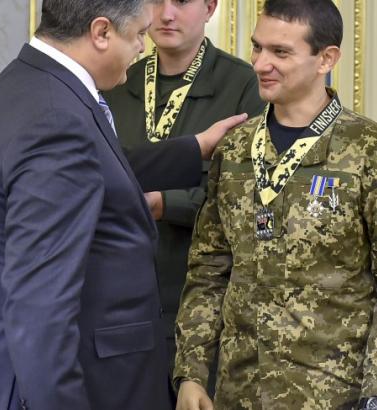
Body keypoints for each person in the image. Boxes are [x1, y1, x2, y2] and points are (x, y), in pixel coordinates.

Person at [0, 0, 248, 409]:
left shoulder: (27, 85)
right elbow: (41, 315)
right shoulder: (55, 120)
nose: (143, 47)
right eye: (138, 34)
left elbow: (95, 169)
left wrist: (194, 148)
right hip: (54, 386)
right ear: (101, 32)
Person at [173, 0, 377, 409]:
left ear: (325, 59)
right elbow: (208, 268)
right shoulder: (236, 148)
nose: (261, 63)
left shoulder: (371, 150)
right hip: (237, 392)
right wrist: (191, 372)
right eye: (257, 47)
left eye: (280, 52)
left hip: (334, 395)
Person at [104, 0, 264, 388]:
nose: (166, 14)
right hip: (121, 310)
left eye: (180, 1)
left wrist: (164, 205)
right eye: (156, 1)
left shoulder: (243, 84)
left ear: (210, 7)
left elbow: (253, 196)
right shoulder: (118, 80)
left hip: (206, 311)